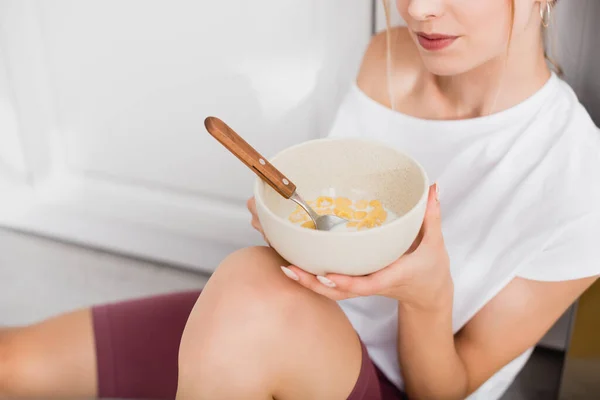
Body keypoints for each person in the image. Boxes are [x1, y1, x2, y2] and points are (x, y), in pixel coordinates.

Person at [1, 0, 599, 399]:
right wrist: (294, 227)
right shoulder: (386, 59)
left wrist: (426, 294)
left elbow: (441, 391)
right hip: (280, 322)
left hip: (390, 384)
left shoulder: (579, 182)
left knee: (250, 286)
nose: (417, 8)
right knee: (12, 362)